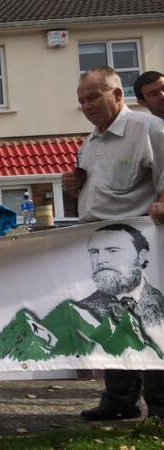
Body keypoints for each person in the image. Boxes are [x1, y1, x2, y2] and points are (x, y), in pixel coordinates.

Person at [61, 67, 164, 421]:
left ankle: (161, 407)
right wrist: (74, 186)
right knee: (116, 323)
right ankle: (120, 400)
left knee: (153, 324)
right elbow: (95, 188)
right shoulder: (90, 142)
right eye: (82, 100)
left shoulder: (150, 129)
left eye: (93, 97)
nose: (86, 105)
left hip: (142, 248)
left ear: (117, 95)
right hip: (102, 246)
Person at [78, 224, 164, 327]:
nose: (100, 260)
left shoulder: (160, 301)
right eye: (94, 252)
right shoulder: (81, 311)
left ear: (141, 257)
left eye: (113, 251)